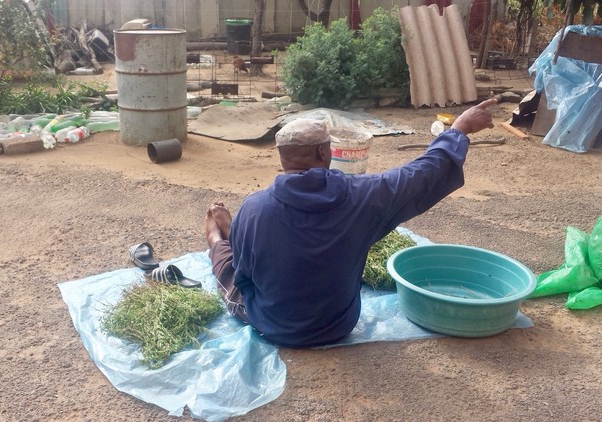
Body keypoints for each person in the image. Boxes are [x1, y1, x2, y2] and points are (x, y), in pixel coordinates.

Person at [204, 99, 498, 348]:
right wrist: (459, 128)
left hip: (273, 325)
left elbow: (245, 276)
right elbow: (421, 174)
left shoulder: (253, 209)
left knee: (227, 265)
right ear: (324, 152)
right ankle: (229, 236)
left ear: (282, 159)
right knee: (246, 251)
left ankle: (219, 238)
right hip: (337, 324)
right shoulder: (364, 196)